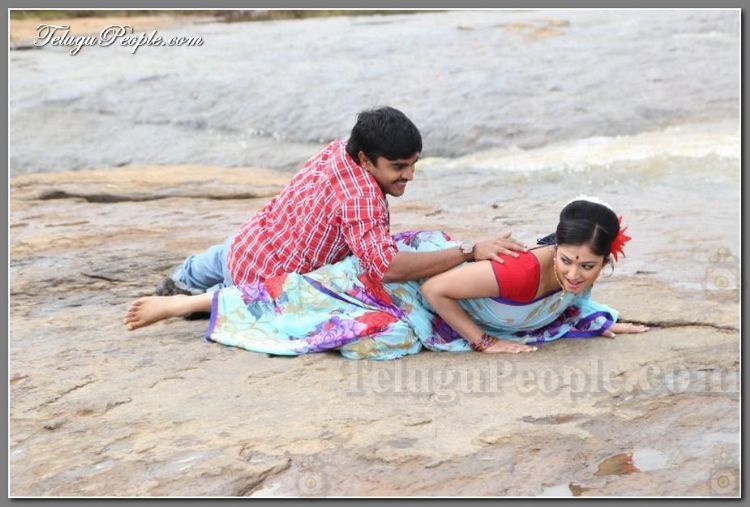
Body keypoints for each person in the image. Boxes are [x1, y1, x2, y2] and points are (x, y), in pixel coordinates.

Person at [124, 197, 649, 359]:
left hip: (444, 287)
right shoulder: (519, 271)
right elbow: (435, 289)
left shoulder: (583, 268)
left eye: (588, 266)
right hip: (412, 281)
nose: (574, 274)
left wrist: (599, 320)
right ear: (556, 247)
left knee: (374, 338)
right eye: (568, 261)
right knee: (311, 300)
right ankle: (189, 303)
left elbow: (569, 300)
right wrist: (484, 342)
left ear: (605, 261)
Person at [156, 106, 525, 298]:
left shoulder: (338, 149)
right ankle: (185, 300)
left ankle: (180, 280)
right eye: (398, 167)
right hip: (261, 277)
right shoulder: (362, 197)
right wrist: (467, 251)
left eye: (414, 164)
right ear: (366, 159)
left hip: (247, 242)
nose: (409, 175)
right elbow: (387, 268)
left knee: (206, 264)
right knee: (212, 301)